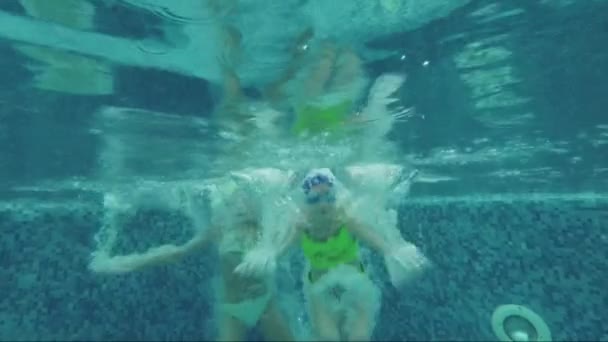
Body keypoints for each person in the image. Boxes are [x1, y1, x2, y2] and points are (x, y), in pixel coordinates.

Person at [88, 177, 295, 342]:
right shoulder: (219, 231)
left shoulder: (264, 232)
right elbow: (176, 253)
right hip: (234, 309)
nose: (240, 206)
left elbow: (283, 243)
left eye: (246, 200)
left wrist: (272, 253)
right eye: (233, 201)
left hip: (266, 304)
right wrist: (122, 264)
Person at [236, 168, 429, 341]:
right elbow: (281, 248)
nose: (323, 205)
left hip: (356, 284)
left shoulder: (346, 221)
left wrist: (393, 250)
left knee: (358, 337)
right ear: (305, 203)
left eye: (328, 197)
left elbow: (373, 238)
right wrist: (266, 257)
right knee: (328, 337)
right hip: (320, 288)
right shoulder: (302, 227)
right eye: (314, 199)